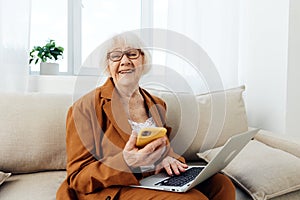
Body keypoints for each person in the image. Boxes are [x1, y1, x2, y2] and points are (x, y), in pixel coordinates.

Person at [56, 32, 236, 200]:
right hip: (115, 187)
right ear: (107, 65)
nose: (125, 61)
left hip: (155, 179)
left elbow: (163, 149)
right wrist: (127, 162)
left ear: (143, 60)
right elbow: (78, 177)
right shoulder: (84, 108)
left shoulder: (157, 104)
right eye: (116, 56)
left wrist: (168, 158)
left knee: (222, 184)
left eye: (132, 54)